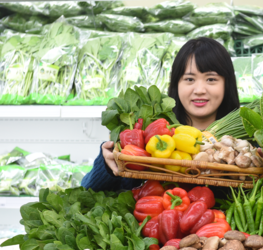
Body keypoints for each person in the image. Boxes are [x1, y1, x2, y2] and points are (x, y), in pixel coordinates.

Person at [81, 37, 240, 192]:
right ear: (176, 84)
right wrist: (108, 165)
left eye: (211, 79)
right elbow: (86, 189)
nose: (199, 90)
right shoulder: (151, 135)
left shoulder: (243, 144)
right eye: (189, 79)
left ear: (227, 84)